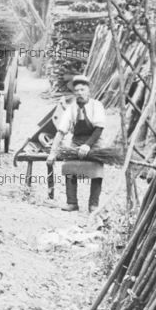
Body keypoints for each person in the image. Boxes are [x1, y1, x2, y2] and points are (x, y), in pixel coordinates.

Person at [46, 74, 107, 212]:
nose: (80, 93)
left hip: (95, 141)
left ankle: (93, 204)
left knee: (97, 168)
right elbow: (61, 132)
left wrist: (88, 145)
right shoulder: (71, 109)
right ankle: (72, 202)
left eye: (82, 90)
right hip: (76, 142)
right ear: (74, 93)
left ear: (88, 91)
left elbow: (99, 128)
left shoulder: (97, 106)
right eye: (77, 90)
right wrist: (52, 153)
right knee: (69, 166)